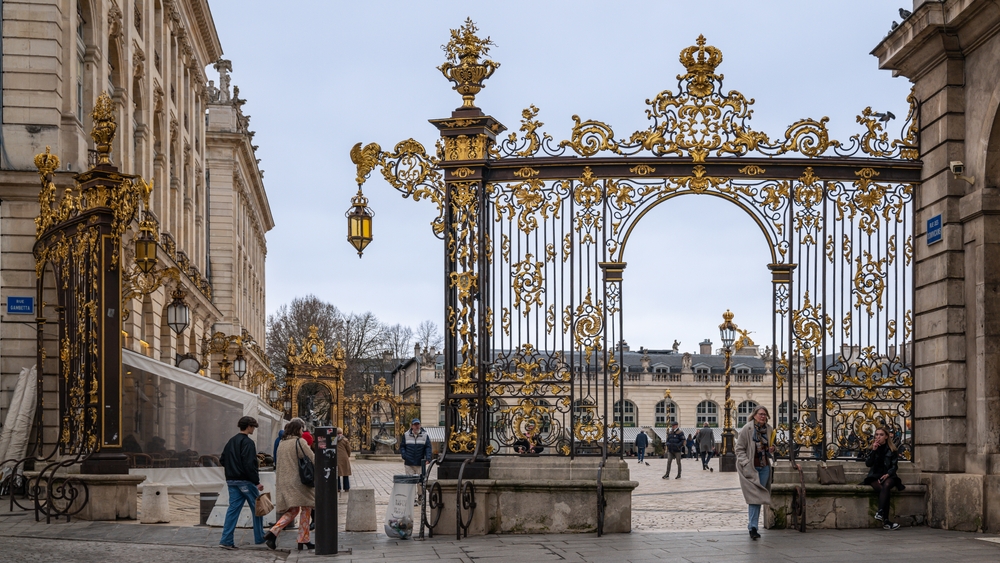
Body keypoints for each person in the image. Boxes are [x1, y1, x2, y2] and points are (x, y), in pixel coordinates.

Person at [263, 418, 316, 552]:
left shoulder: (282, 443)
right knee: (306, 507)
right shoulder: (300, 442)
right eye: (301, 429)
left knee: (293, 510)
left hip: (284, 481)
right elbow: (312, 458)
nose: (302, 431)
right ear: (298, 430)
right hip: (298, 481)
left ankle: (274, 532)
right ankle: (303, 539)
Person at [218, 416, 265, 550]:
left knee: (232, 510)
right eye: (253, 427)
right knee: (258, 508)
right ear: (249, 426)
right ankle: (260, 536)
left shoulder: (231, 441)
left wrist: (232, 468)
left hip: (232, 481)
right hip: (246, 481)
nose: (254, 429)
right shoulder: (248, 443)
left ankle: (226, 540)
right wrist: (256, 482)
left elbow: (222, 460)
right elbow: (250, 464)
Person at [735, 406, 774, 540]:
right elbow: (739, 449)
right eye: (761, 414)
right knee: (754, 498)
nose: (763, 417)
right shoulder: (747, 428)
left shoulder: (769, 429)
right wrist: (745, 463)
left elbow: (770, 448)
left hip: (764, 468)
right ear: (755, 415)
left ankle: (753, 526)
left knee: (758, 498)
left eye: (765, 414)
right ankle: (753, 527)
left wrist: (772, 449)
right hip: (751, 468)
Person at [863, 426, 903, 530]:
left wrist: (888, 474)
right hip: (874, 476)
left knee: (887, 485)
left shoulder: (892, 450)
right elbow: (868, 464)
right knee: (883, 490)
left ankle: (880, 512)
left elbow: (894, 466)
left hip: (889, 475)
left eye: (881, 435)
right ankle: (886, 520)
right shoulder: (872, 448)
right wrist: (874, 451)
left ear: (886, 437)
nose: (878, 437)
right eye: (876, 434)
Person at [401, 418, 432, 501]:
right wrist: (404, 455)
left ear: (420, 425)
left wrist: (428, 458)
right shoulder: (406, 435)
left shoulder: (425, 435)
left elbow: (428, 447)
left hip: (420, 462)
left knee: (420, 482)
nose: (417, 426)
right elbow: (402, 446)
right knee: (410, 482)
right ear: (412, 426)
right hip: (409, 462)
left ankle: (420, 496)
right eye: (415, 425)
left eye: (418, 424)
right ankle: (412, 498)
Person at [337, 427, 352, 494]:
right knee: (345, 474)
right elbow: (349, 449)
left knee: (337, 474)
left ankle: (338, 488)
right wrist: (348, 455)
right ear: (342, 432)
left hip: (337, 458)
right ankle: (346, 488)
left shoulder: (334, 440)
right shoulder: (345, 440)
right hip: (344, 458)